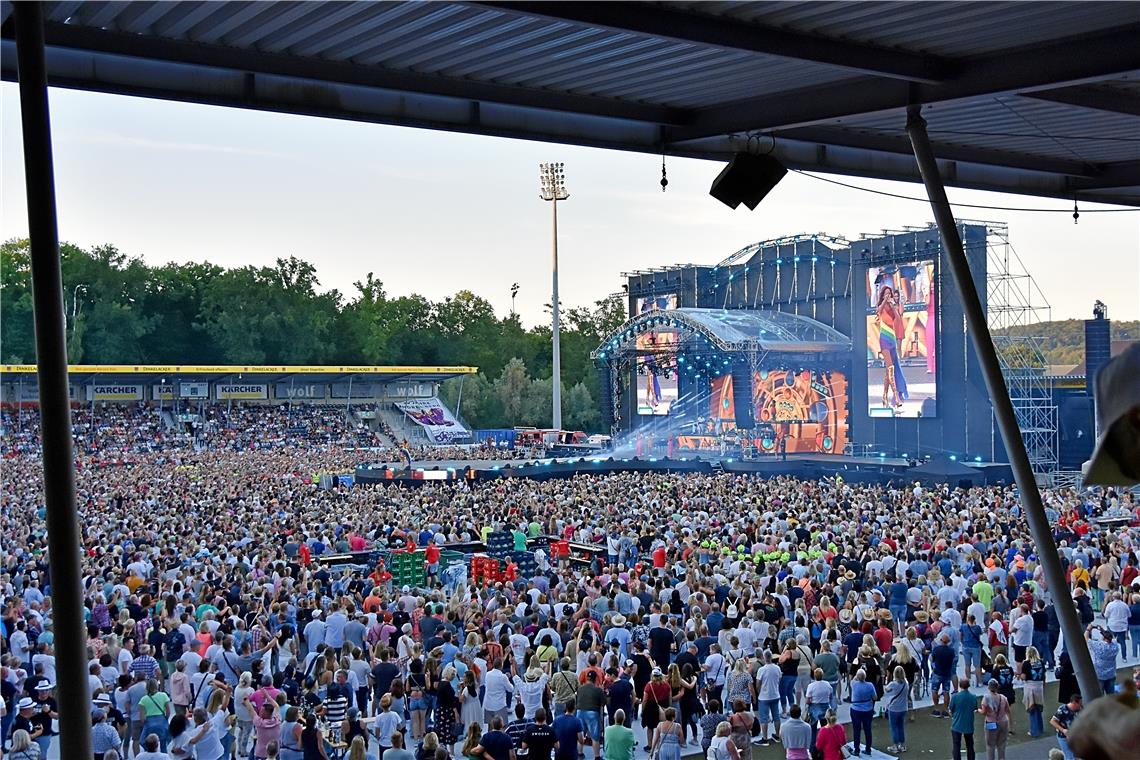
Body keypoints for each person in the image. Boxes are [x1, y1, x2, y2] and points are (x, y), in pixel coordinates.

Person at [977, 679, 1010, 760]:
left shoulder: (986, 698)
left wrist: (978, 710)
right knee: (1002, 744)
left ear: (988, 687)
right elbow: (1007, 710)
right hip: (1003, 722)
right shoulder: (1003, 698)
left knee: (990, 745)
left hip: (991, 722)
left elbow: (984, 712)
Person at [1019, 646, 1046, 737]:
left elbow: (1024, 677)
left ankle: (1034, 731)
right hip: (1039, 686)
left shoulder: (1026, 663)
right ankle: (1040, 728)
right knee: (1038, 708)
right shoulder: (1041, 662)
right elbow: (1043, 675)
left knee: (1032, 709)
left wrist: (1019, 675)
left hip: (1030, 687)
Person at [949, 677, 978, 760]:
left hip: (956, 725)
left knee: (956, 746)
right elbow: (974, 709)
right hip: (968, 724)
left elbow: (951, 709)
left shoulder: (955, 697)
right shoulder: (973, 697)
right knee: (970, 746)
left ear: (959, 685)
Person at [849, 669, 876, 757]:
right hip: (868, 709)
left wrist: (857, 675)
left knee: (856, 730)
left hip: (856, 709)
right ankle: (868, 749)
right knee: (868, 729)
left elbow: (853, 679)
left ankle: (857, 749)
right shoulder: (870, 685)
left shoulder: (854, 684)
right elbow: (875, 697)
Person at [883, 665, 909, 754]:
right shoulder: (906, 682)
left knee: (894, 727)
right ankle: (902, 745)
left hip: (894, 708)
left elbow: (886, 690)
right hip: (903, 708)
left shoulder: (893, 684)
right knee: (901, 726)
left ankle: (895, 746)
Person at [1049, 692, 1082, 760]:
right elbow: (1052, 721)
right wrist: (1063, 730)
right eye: (1079, 703)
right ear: (1074, 703)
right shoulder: (1062, 709)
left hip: (1075, 736)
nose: (1081, 705)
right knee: (1070, 757)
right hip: (1063, 737)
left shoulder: (1079, 709)